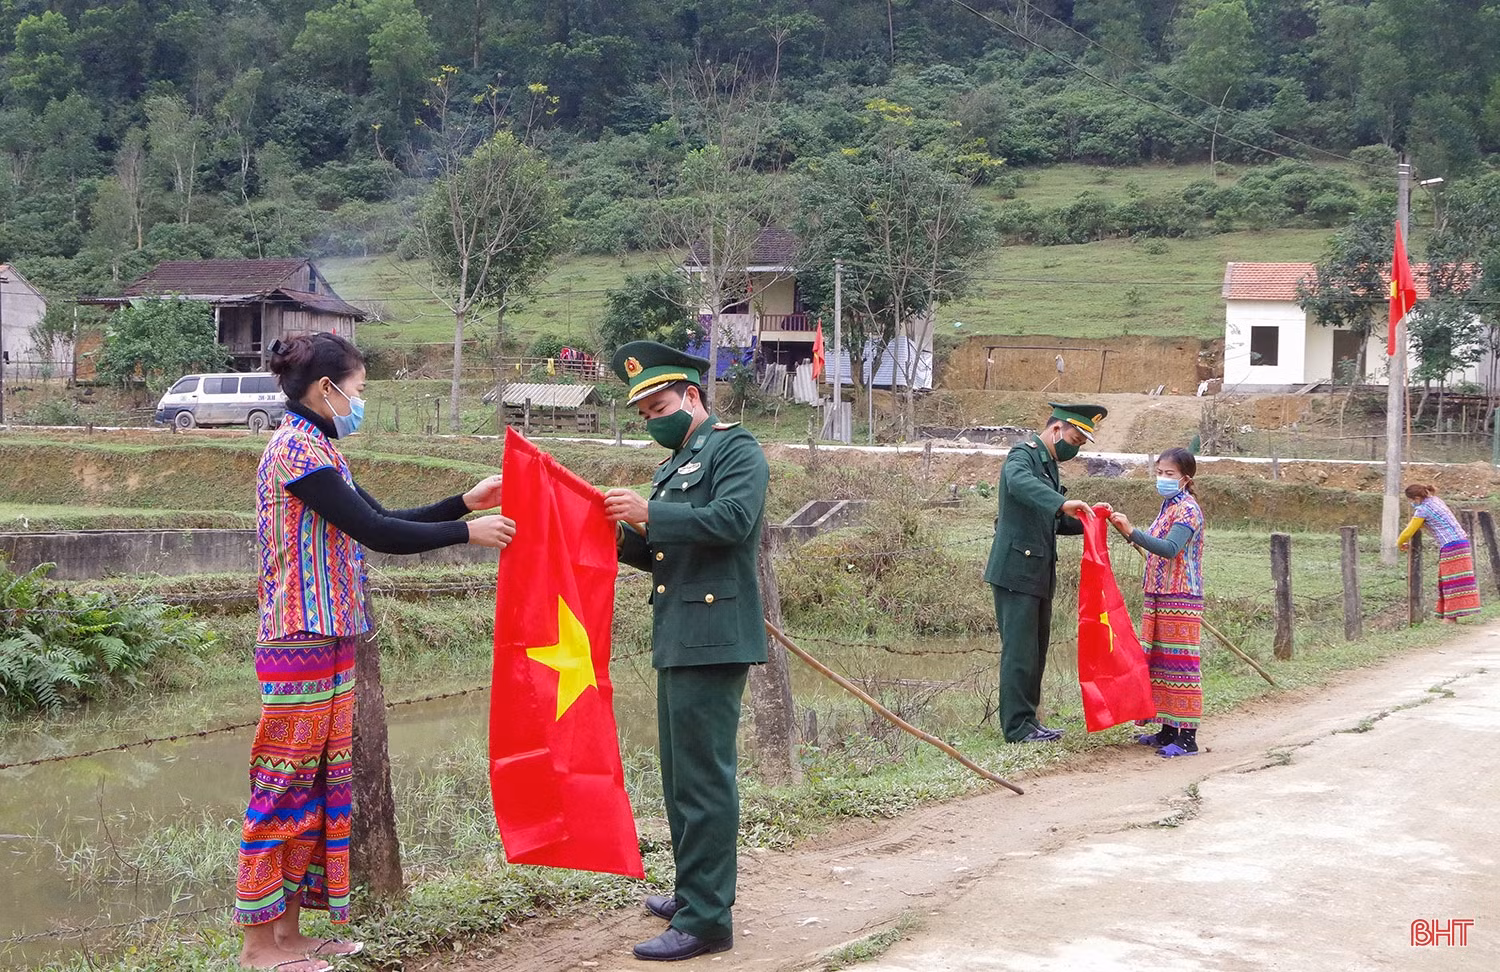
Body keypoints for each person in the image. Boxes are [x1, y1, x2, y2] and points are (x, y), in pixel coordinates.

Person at [237, 333, 516, 972]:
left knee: (313, 785)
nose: (360, 401)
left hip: (330, 635)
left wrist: (462, 504)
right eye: (358, 390)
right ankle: (258, 945)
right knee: (281, 787)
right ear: (327, 389)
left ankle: (287, 935)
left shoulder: (321, 449)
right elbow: (377, 533)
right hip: (298, 638)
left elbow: (385, 515)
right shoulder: (295, 451)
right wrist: (466, 533)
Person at [601, 341, 769, 962]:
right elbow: (660, 551)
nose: (652, 420)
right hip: (678, 635)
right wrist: (620, 528)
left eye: (659, 406)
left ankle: (707, 920)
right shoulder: (674, 466)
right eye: (643, 414)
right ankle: (692, 889)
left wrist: (652, 514)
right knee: (679, 779)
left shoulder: (735, 448)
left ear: (692, 395)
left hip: (714, 635)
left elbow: (731, 522)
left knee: (703, 780)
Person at [984, 402, 1110, 744]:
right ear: (1056, 429)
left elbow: (1052, 520)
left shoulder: (1049, 465)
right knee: (1019, 652)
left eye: (1082, 442)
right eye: (1075, 437)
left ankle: (1029, 720)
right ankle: (1016, 727)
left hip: (1038, 570)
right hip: (1015, 569)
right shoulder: (1022, 456)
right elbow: (1020, 484)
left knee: (1035, 650)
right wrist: (1061, 503)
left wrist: (1092, 520)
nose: (1076, 446)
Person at [1108, 448, 1207, 758]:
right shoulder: (1168, 507)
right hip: (1157, 594)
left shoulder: (1188, 510)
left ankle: (1187, 737)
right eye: (1160, 472)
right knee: (1160, 665)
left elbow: (1168, 548)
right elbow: (1150, 541)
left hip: (1180, 597)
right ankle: (1167, 730)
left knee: (1181, 666)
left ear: (1185, 479)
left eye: (1170, 474)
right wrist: (1124, 529)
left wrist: (1131, 531)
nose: (1163, 479)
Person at [1399, 484, 1482, 623]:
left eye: (1411, 500)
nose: (1411, 503)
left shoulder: (1422, 510)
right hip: (1461, 542)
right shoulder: (1436, 501)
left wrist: (1399, 543)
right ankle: (1450, 616)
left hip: (1451, 546)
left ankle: (1450, 618)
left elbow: (1409, 531)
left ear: (1417, 498)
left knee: (1451, 581)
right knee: (1454, 580)